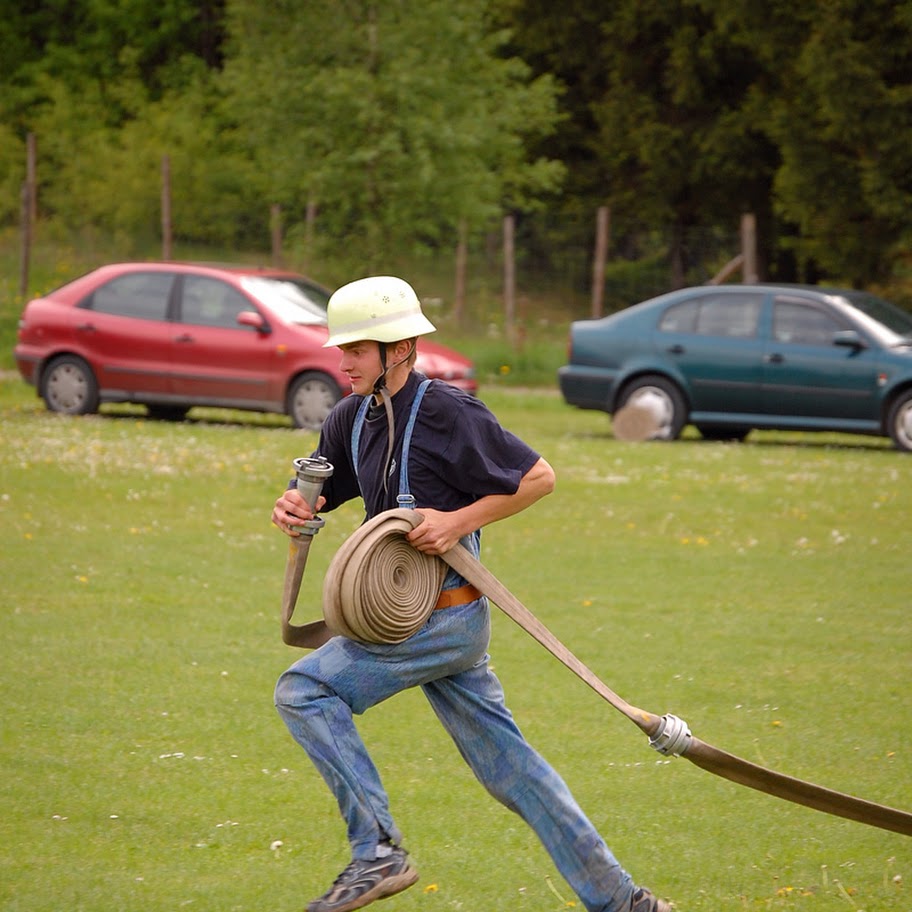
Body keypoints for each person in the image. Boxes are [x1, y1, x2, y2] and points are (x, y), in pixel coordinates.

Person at [271, 276, 671, 912]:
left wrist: (458, 521)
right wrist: (297, 508)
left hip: (442, 621)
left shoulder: (448, 412)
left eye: (356, 349)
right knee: (515, 775)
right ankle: (626, 903)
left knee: (304, 690)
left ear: (399, 348)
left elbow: (538, 478)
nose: (341, 361)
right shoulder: (351, 418)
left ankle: (378, 853)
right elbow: (322, 491)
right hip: (417, 622)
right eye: (339, 348)